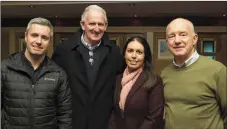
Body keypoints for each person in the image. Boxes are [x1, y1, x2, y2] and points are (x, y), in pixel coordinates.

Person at [51, 5, 123, 129]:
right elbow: (53, 88)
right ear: (83, 25)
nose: (96, 29)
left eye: (100, 24)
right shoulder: (64, 51)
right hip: (71, 122)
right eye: (92, 24)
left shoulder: (115, 53)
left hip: (104, 123)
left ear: (105, 26)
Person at [1, 17, 72, 129]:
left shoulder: (58, 74)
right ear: (26, 36)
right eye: (34, 35)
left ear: (49, 41)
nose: (38, 41)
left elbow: (65, 116)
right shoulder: (4, 68)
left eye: (44, 37)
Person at [161, 18, 227, 129]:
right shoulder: (165, 73)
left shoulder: (217, 70)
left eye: (183, 34)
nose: (177, 40)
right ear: (167, 42)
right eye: (171, 36)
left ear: (194, 39)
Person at [109, 36, 165, 129]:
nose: (134, 56)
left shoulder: (154, 81)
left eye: (139, 52)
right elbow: (113, 112)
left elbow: (154, 117)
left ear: (145, 56)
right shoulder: (117, 79)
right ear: (124, 54)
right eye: (130, 51)